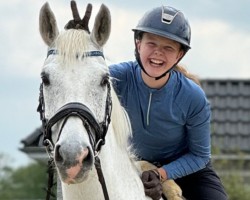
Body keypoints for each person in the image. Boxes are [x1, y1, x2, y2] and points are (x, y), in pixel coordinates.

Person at [109, 5, 228, 200]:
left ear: (179, 55)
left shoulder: (193, 97)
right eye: (151, 44)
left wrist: (160, 174)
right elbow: (87, 75)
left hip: (186, 169)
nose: (157, 53)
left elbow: (200, 156)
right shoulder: (116, 78)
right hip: (133, 165)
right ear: (138, 44)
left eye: (168, 48)